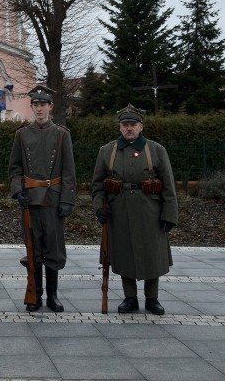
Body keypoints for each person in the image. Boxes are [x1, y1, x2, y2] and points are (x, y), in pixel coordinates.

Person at [91, 104, 178, 315]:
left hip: (150, 211)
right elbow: (97, 185)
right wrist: (98, 208)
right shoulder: (107, 151)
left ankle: (152, 298)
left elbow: (168, 185)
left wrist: (169, 215)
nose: (129, 128)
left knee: (152, 255)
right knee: (123, 253)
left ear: (141, 126)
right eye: (125, 125)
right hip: (119, 210)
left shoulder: (156, 150)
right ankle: (129, 298)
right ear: (120, 127)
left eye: (133, 124)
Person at [8, 85, 76, 312]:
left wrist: (67, 200)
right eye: (36, 105)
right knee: (33, 249)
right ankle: (34, 293)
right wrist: (19, 190)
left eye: (43, 104)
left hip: (53, 199)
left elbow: (68, 171)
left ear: (50, 106)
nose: (39, 109)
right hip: (30, 200)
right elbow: (15, 168)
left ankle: (53, 296)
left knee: (53, 250)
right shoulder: (21, 134)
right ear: (31, 107)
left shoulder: (61, 134)